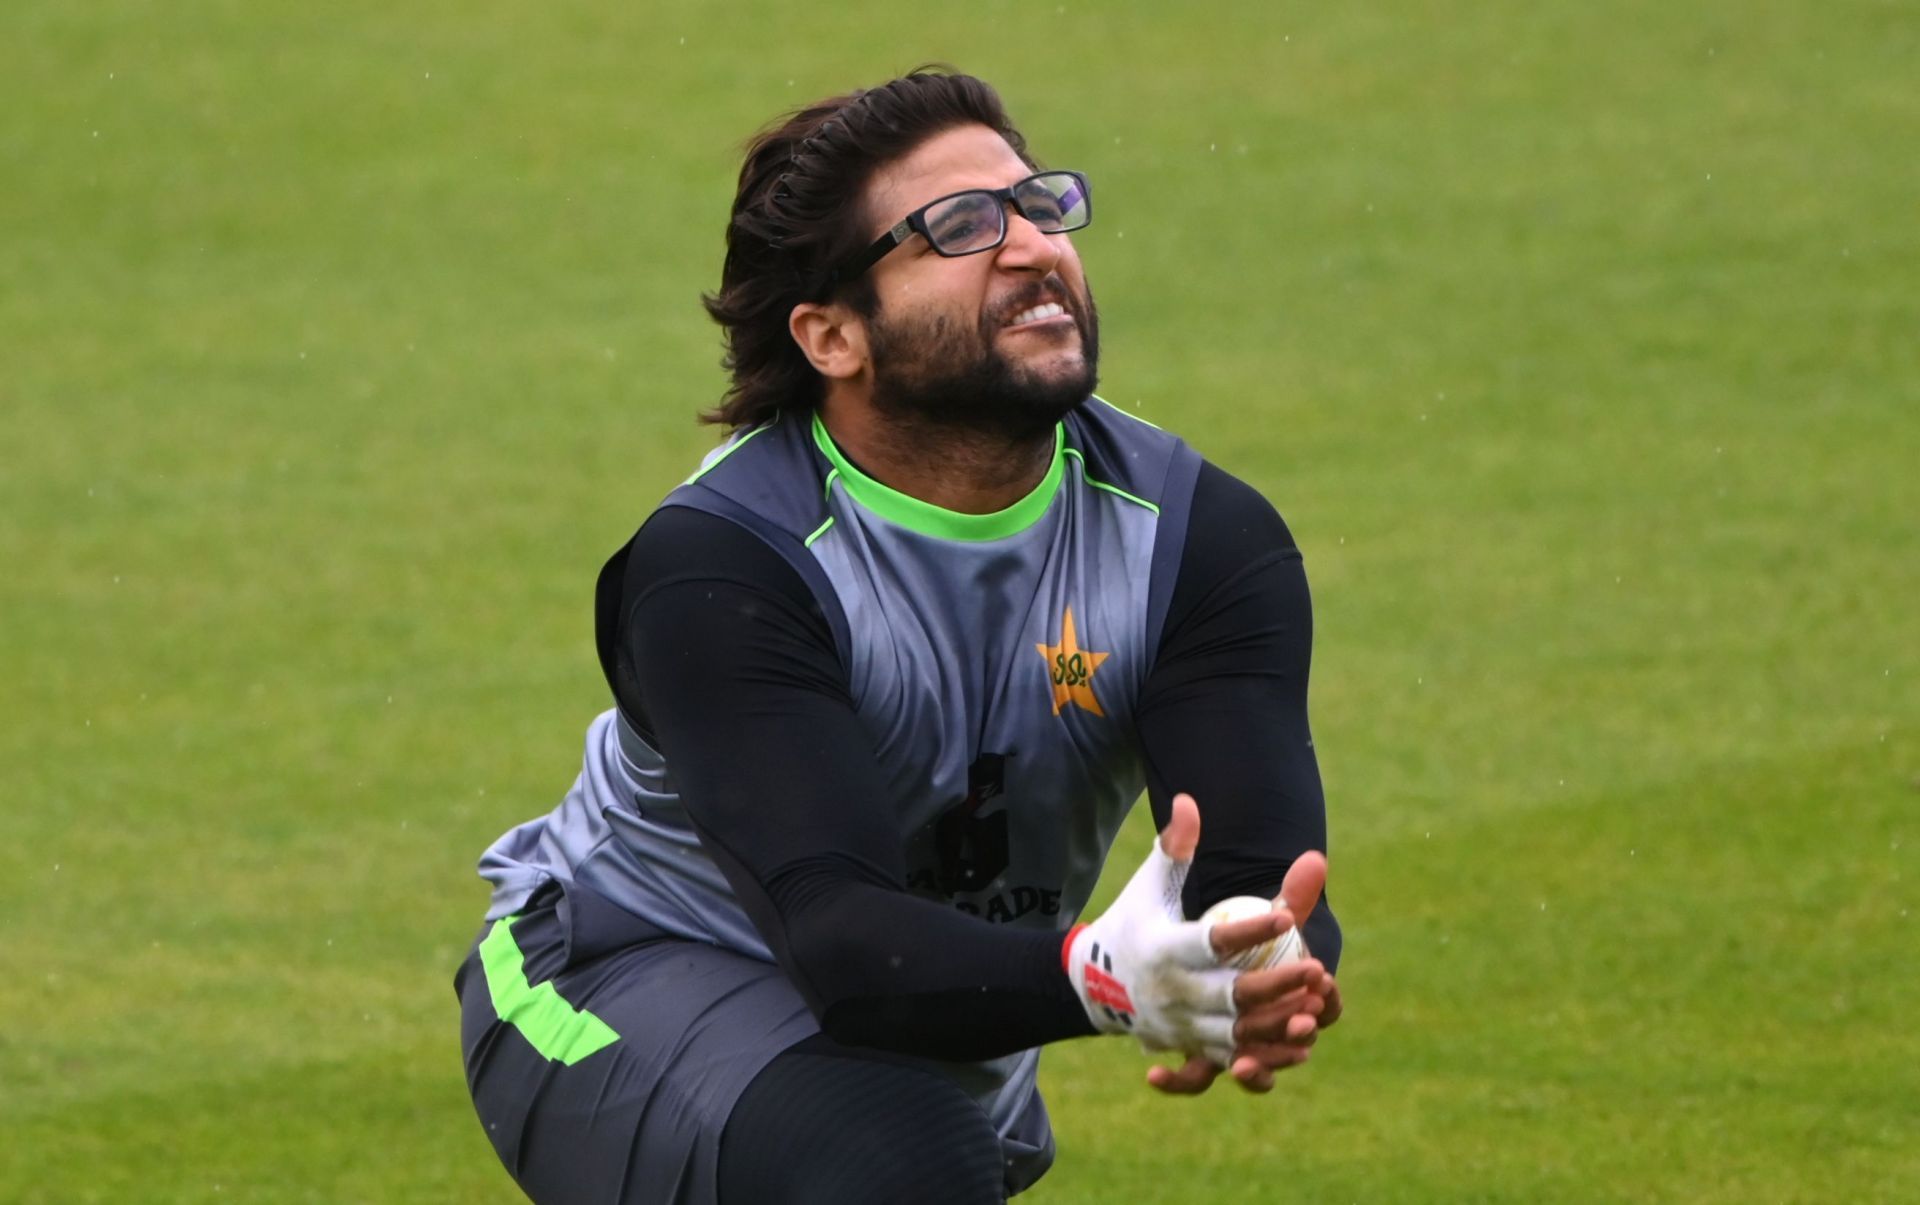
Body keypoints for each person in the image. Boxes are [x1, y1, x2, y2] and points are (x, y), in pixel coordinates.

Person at [455, 68, 1343, 1205]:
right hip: (607, 981)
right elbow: (837, 932)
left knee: (910, 1142)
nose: (1032, 247)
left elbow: (1256, 871)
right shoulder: (727, 566)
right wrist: (1100, 974)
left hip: (927, 1020)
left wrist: (1255, 965)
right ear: (832, 335)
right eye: (961, 228)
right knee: (893, 1159)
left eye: (1040, 205)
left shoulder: (1200, 538)